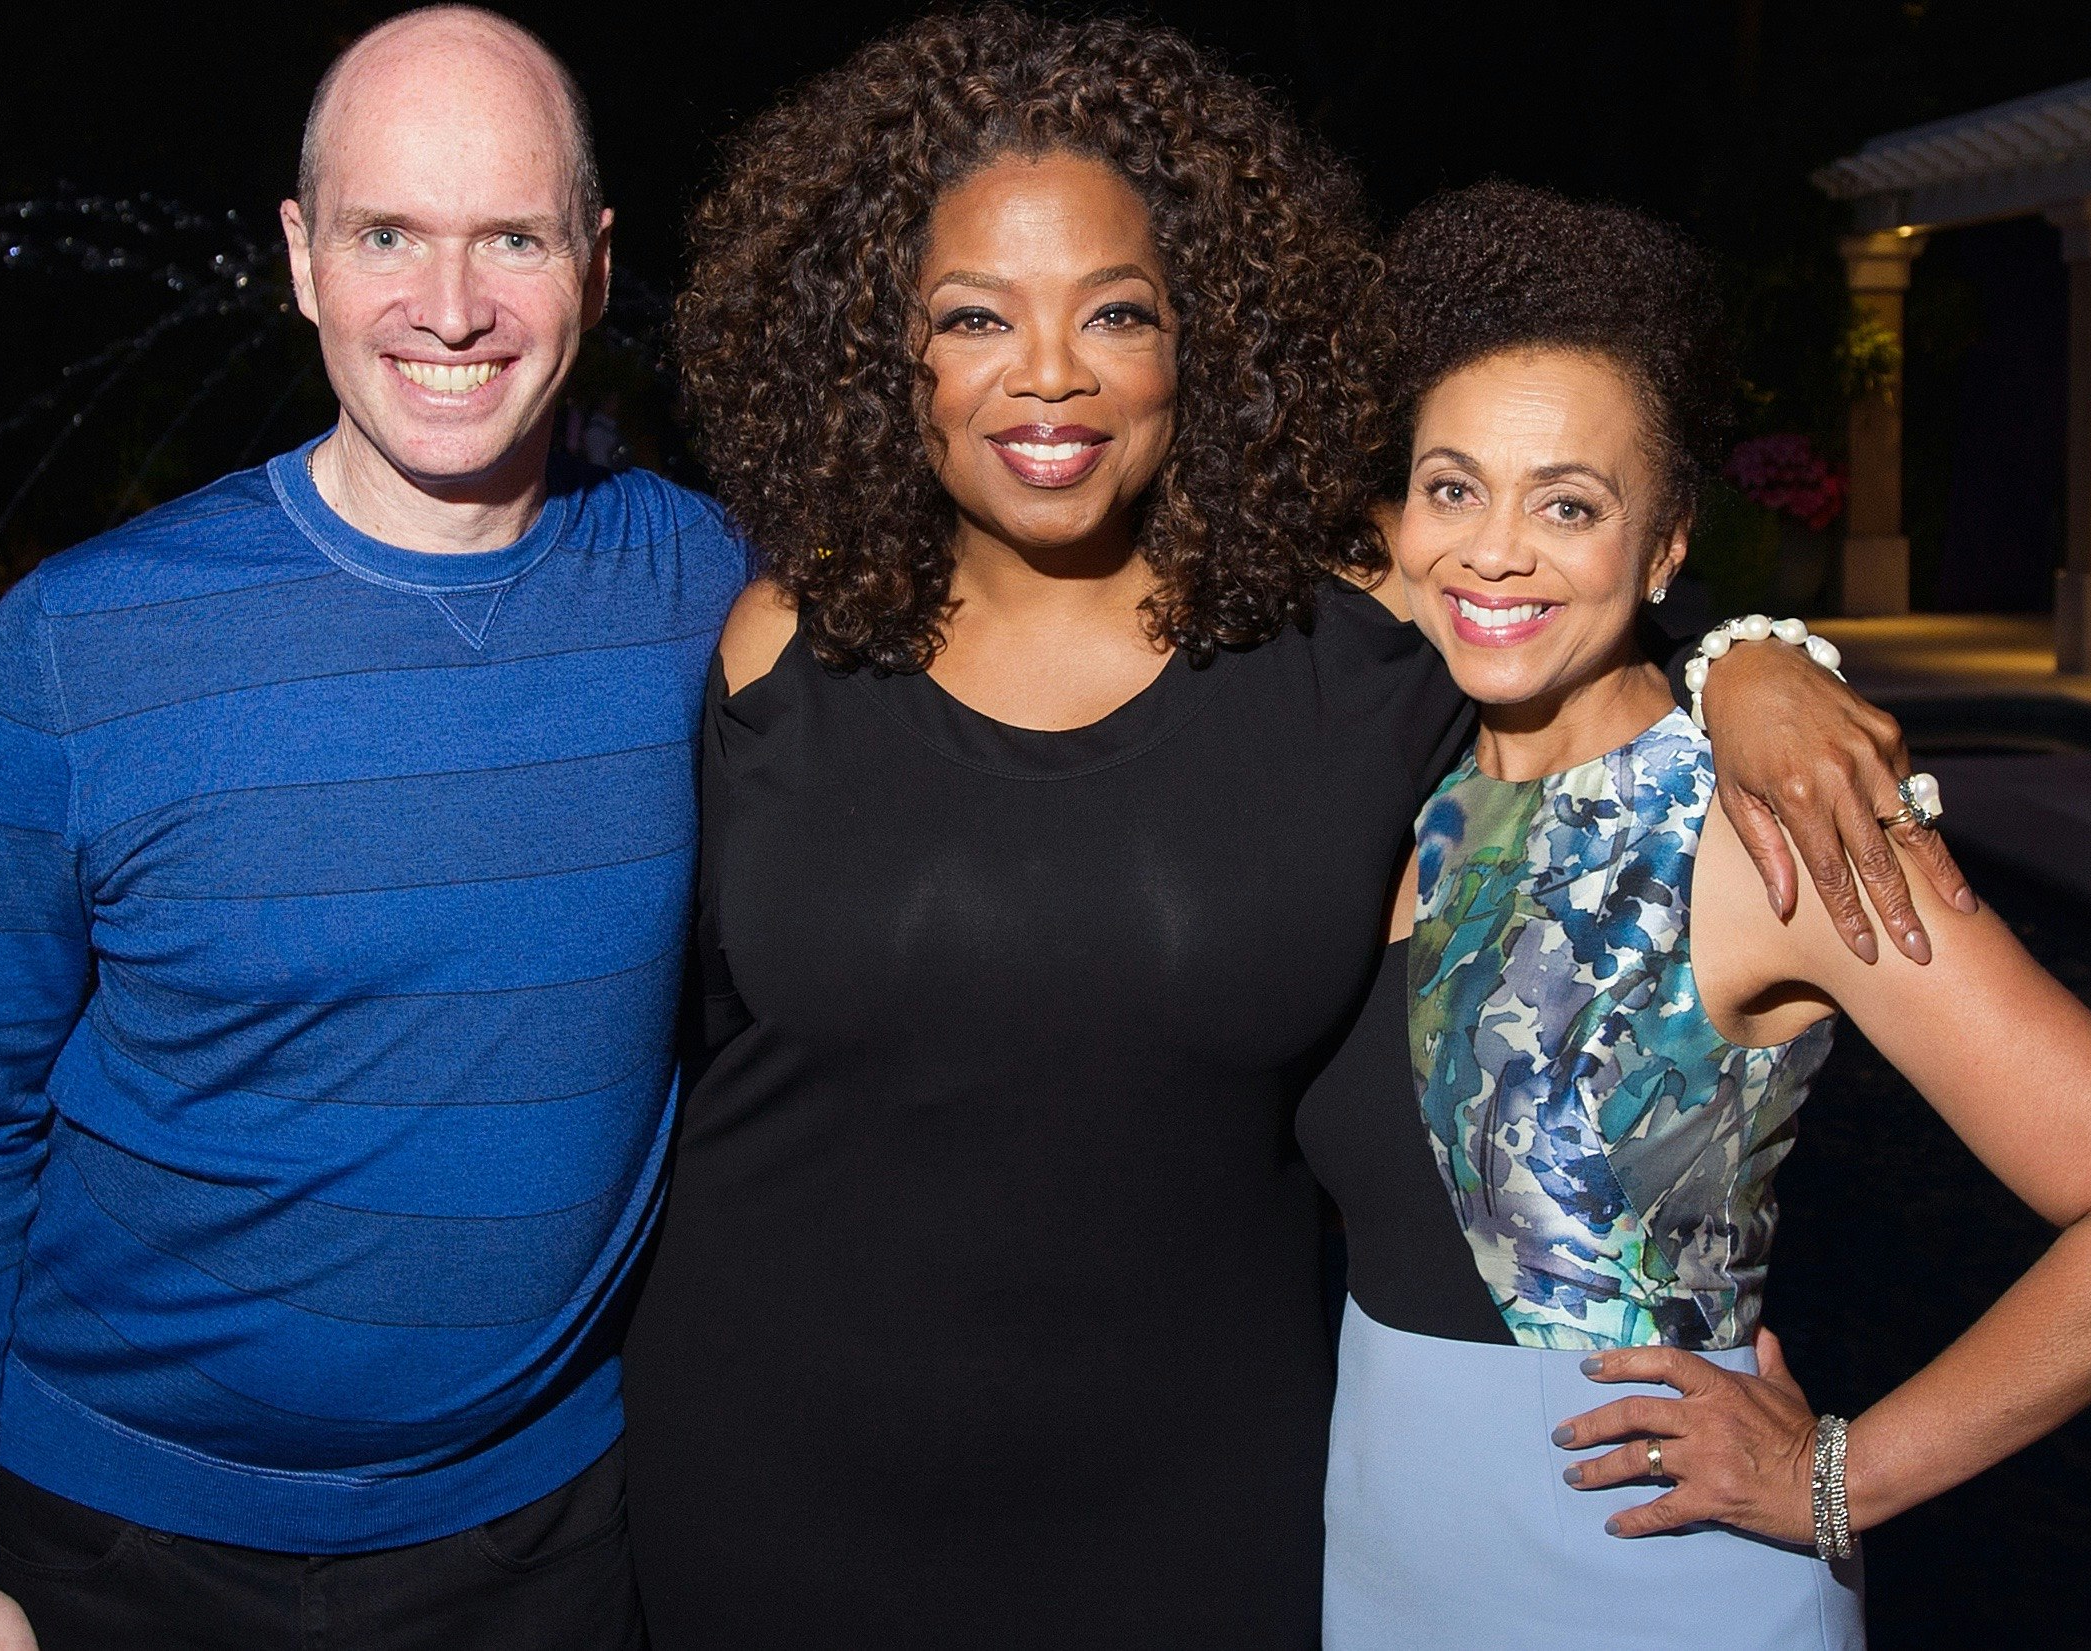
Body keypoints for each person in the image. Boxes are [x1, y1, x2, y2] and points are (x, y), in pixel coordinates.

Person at [618, 12, 1956, 1647]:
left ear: (1211, 336)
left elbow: (1555, 582)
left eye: (1118, 312)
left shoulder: (1343, 645)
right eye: (975, 317)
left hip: (1199, 1504)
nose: (1050, 375)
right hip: (770, 1480)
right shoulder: (783, 644)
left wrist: (1749, 659)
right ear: (880, 353)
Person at [0, 10, 746, 1649]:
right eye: (387, 232)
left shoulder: (708, 594)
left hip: (544, 1548)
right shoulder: (79, 647)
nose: (452, 309)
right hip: (116, 1552)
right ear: (303, 257)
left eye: (515, 239)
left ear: (597, 266)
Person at [1295, 179, 2091, 1649]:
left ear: (1669, 543)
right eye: (1452, 487)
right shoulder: (1402, 768)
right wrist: (1749, 649)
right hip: (1387, 1562)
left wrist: (1841, 1477)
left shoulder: (1762, 828)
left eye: (1570, 502)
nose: (1494, 549)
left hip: (1644, 1579)